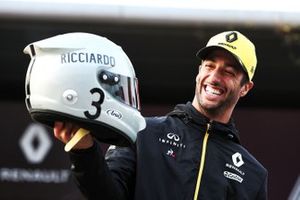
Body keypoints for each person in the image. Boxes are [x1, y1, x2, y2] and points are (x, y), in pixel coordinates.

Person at [54, 31, 268, 200]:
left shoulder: (253, 174)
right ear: (199, 72)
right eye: (210, 66)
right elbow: (105, 194)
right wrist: (83, 151)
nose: (214, 77)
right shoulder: (140, 132)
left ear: (245, 88)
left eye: (228, 72)